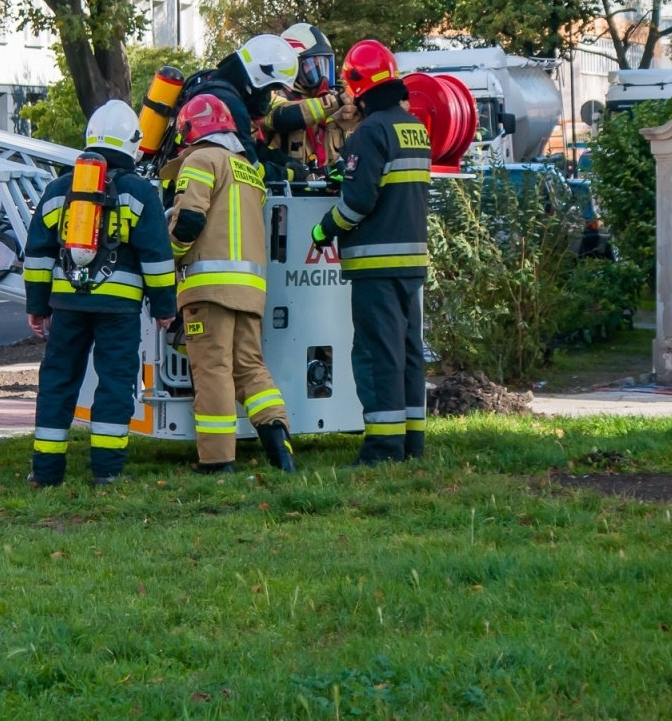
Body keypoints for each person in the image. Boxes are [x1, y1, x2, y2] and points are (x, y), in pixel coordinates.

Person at [21, 100, 177, 487]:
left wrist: (38, 307)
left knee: (57, 380)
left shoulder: (59, 188)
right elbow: (156, 257)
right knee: (114, 383)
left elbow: (38, 254)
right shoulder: (139, 192)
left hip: (67, 304)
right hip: (119, 309)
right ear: (132, 143)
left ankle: (46, 471)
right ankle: (106, 471)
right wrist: (164, 307)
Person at [310, 40, 432, 464]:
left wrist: (323, 229)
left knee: (378, 355)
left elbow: (357, 204)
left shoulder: (370, 132)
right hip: (412, 263)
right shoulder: (413, 127)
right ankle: (411, 443)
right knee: (407, 353)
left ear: (359, 86)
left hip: (377, 264)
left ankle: (382, 449)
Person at [167, 93, 296, 475]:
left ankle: (217, 461)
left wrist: (168, 257)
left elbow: (189, 220)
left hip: (208, 289)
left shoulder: (200, 160)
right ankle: (280, 447)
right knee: (251, 367)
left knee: (213, 369)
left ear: (192, 129)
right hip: (250, 289)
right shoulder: (247, 170)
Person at [174, 35, 299, 165]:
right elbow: (251, 168)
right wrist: (289, 173)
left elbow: (240, 144)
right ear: (258, 81)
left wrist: (279, 158)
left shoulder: (205, 79)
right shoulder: (231, 106)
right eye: (269, 89)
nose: (267, 98)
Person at [261, 23, 358, 178]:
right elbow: (285, 116)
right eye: (312, 65)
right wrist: (333, 103)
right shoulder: (270, 96)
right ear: (291, 65)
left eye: (323, 64)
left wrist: (351, 113)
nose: (321, 75)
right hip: (285, 193)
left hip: (325, 193)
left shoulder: (328, 101)